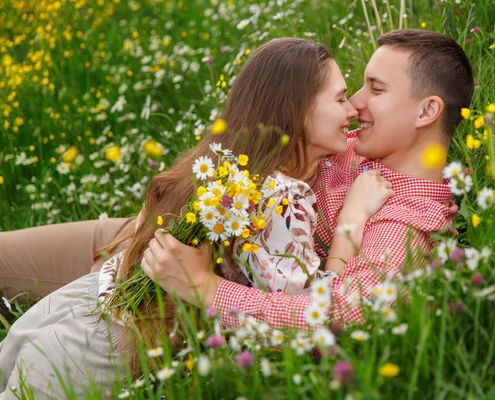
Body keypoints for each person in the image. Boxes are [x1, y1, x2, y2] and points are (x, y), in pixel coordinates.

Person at [0, 38, 393, 399]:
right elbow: (309, 313)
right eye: (340, 98)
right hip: (105, 345)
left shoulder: (231, 160)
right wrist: (352, 217)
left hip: (88, 297)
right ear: (299, 109)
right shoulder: (282, 196)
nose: (352, 108)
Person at [140, 28, 474, 330]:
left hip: (157, 303)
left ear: (427, 112)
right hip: (146, 238)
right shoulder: (364, 144)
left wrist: (203, 287)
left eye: (376, 89)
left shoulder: (403, 227)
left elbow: (342, 316)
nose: (356, 104)